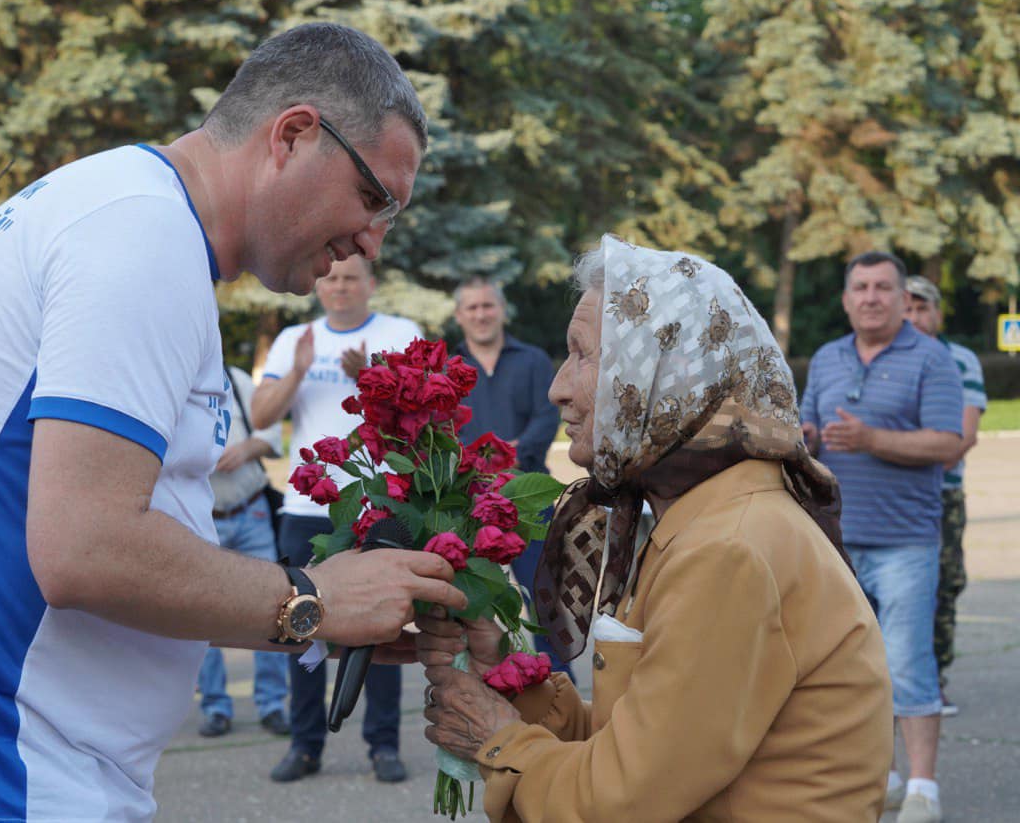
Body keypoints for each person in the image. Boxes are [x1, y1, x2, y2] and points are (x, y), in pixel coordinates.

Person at [0, 23, 468, 823]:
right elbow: (86, 547)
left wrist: (323, 610)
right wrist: (312, 598)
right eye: (373, 198)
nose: (372, 241)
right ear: (294, 135)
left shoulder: (120, 210)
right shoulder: (143, 235)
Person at [416, 235, 893, 822]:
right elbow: (640, 747)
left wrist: (499, 742)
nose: (557, 388)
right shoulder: (710, 518)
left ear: (669, 378)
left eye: (582, 355)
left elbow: (625, 800)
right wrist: (506, 675)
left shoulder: (726, 551)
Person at [800, 251, 963, 823]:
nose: (871, 297)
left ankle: (923, 788)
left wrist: (872, 440)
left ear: (901, 298)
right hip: (835, 544)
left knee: (909, 666)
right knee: (853, 671)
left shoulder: (932, 358)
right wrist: (808, 438)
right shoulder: (827, 357)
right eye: (861, 287)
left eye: (883, 287)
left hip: (905, 543)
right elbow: (808, 428)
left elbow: (948, 443)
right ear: (846, 299)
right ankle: (883, 777)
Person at [250, 253, 422, 784]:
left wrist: (368, 376)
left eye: (351, 278)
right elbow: (260, 415)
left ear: (370, 284)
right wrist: (300, 369)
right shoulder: (294, 340)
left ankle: (383, 745)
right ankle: (305, 746)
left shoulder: (400, 332)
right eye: (331, 278)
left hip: (378, 504)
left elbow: (422, 412)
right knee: (297, 623)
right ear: (319, 286)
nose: (340, 286)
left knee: (381, 625)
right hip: (306, 507)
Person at [451, 276, 568, 676]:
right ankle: (483, 683)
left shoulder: (533, 360)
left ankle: (561, 684)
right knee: (470, 604)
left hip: (528, 502)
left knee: (546, 600)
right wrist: (474, 461)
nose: (481, 314)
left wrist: (509, 454)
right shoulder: (449, 368)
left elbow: (548, 416)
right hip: (468, 507)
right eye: (472, 307)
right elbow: (442, 429)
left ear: (502, 310)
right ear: (459, 315)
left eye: (488, 305)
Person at [905, 275, 987, 718]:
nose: (915, 318)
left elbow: (962, 437)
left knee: (944, 584)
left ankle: (934, 679)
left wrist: (900, 456)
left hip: (941, 494)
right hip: (889, 498)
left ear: (937, 313)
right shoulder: (875, 357)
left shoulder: (960, 360)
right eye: (907, 309)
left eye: (923, 309)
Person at [195, 365, 289, 739]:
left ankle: (272, 704)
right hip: (203, 518)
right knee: (201, 615)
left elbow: (270, 435)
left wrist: (248, 449)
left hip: (252, 510)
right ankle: (215, 706)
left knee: (274, 610)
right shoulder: (174, 379)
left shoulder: (237, 380)